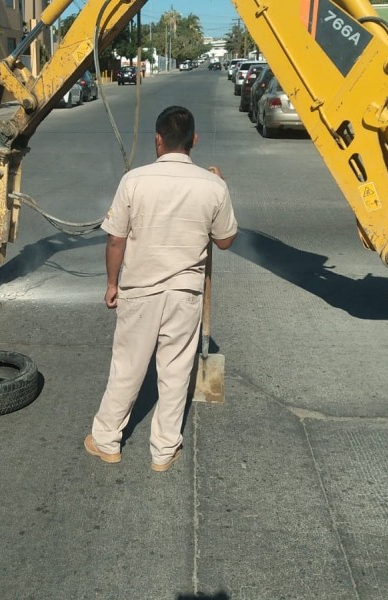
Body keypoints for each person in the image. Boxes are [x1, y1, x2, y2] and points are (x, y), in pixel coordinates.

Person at [85, 105, 238, 472]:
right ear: (194, 141)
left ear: (157, 140)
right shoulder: (212, 186)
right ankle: (164, 452)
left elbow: (116, 241)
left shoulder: (134, 181)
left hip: (140, 291)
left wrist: (111, 282)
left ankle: (107, 442)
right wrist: (221, 185)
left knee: (127, 367)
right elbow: (226, 241)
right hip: (185, 295)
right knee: (175, 371)